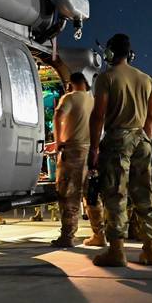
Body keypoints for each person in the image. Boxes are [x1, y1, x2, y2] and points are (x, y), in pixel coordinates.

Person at [89, 33, 152, 266]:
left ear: (110, 53)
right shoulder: (147, 80)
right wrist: (146, 140)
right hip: (142, 140)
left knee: (115, 195)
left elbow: (99, 115)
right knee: (144, 195)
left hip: (118, 140)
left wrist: (93, 148)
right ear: (130, 54)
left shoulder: (106, 78)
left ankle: (117, 251)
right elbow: (151, 118)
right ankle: (150, 250)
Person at [45, 71, 94, 247]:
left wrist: (58, 143)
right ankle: (99, 233)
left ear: (71, 83)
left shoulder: (69, 98)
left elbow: (58, 116)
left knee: (68, 195)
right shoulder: (92, 100)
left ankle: (67, 236)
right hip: (90, 150)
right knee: (91, 195)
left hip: (73, 150)